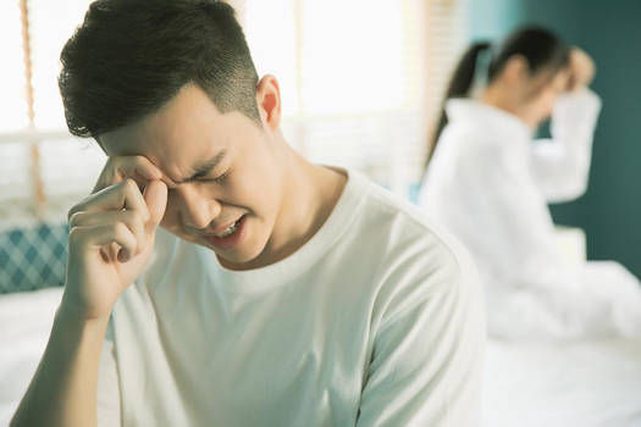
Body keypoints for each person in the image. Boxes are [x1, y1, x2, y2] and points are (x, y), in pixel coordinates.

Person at [11, 1, 485, 426]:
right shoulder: (130, 256)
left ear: (268, 105)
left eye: (212, 171)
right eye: (158, 189)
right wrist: (83, 314)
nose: (198, 215)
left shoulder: (416, 275)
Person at [418, 25, 641, 340]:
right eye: (554, 91)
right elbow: (532, 264)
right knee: (619, 296)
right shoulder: (485, 146)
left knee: (616, 288)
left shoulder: (485, 138)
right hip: (501, 312)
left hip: (501, 302)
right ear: (516, 71)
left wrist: (575, 94)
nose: (552, 107)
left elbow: (566, 175)